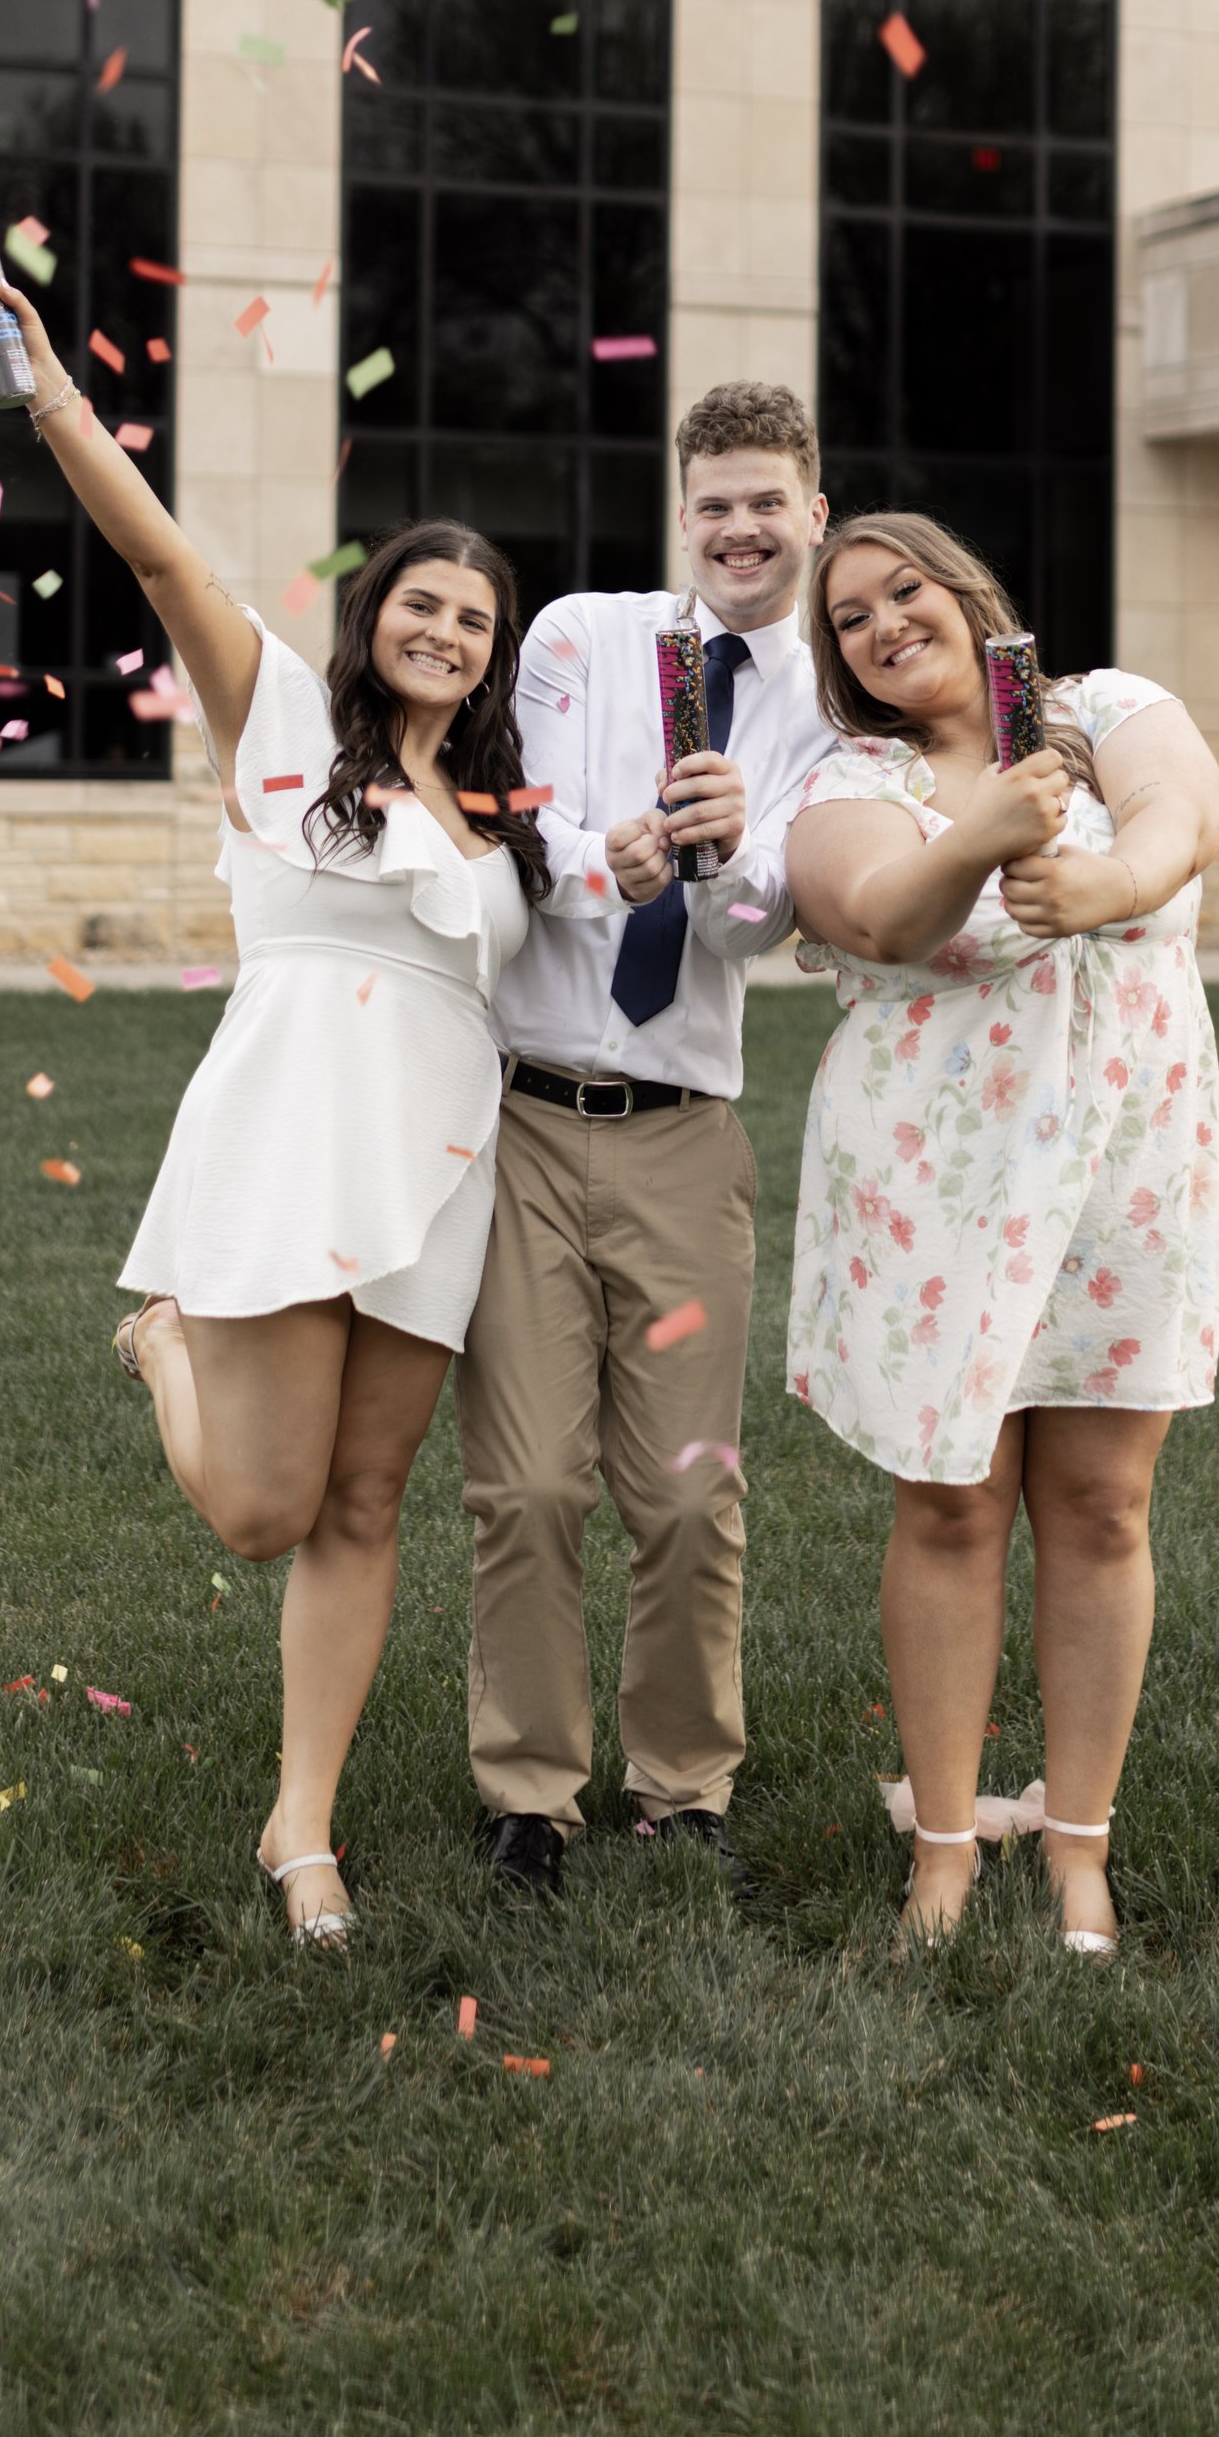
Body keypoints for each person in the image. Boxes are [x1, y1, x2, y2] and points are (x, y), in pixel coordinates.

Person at [0, 280, 545, 1949]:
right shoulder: (287, 723)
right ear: (373, 618)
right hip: (294, 1132)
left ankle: (305, 1828)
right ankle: (164, 1348)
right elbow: (161, 561)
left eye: (475, 621)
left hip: (443, 1172)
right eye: (421, 605)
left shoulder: (505, 816)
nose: (445, 632)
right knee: (261, 1512)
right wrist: (56, 393)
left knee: (370, 1507)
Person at [781, 512, 1219, 1956]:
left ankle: (1080, 1845)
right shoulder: (858, 778)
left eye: (902, 588)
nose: (882, 624)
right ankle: (947, 1847)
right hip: (938, 1181)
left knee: (1103, 1504)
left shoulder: (1106, 715)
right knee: (956, 1504)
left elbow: (1185, 816)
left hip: (1126, 1166)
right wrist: (976, 836)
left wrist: (1106, 879)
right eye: (849, 619)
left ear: (967, 588)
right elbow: (873, 911)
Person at [456, 382, 837, 1898]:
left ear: (814, 508)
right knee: (530, 1486)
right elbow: (517, 822)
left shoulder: (828, 701)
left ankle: (684, 1788)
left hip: (685, 1136)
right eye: (714, 504)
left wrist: (733, 848)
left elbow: (763, 930)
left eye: (767, 502)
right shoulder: (579, 635)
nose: (740, 529)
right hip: (529, 1123)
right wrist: (595, 855)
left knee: (686, 1487)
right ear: (686, 514)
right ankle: (528, 1797)